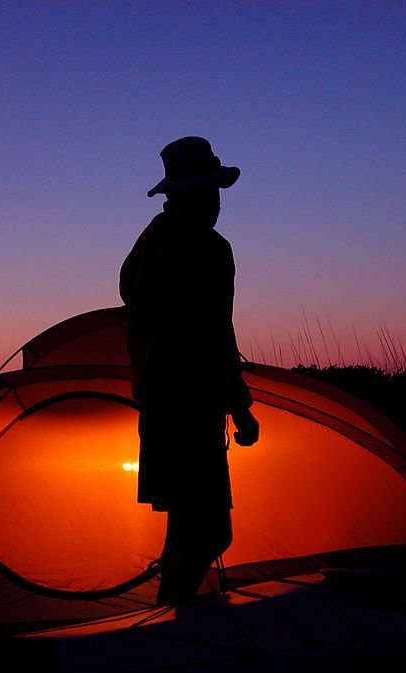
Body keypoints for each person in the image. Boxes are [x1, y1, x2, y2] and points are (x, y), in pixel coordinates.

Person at [119, 136, 259, 605]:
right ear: (197, 193)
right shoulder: (209, 247)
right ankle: (172, 615)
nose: (217, 203)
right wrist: (240, 409)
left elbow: (128, 294)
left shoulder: (150, 240)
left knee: (184, 526)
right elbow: (216, 334)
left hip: (157, 405)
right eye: (212, 191)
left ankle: (168, 625)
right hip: (191, 409)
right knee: (211, 531)